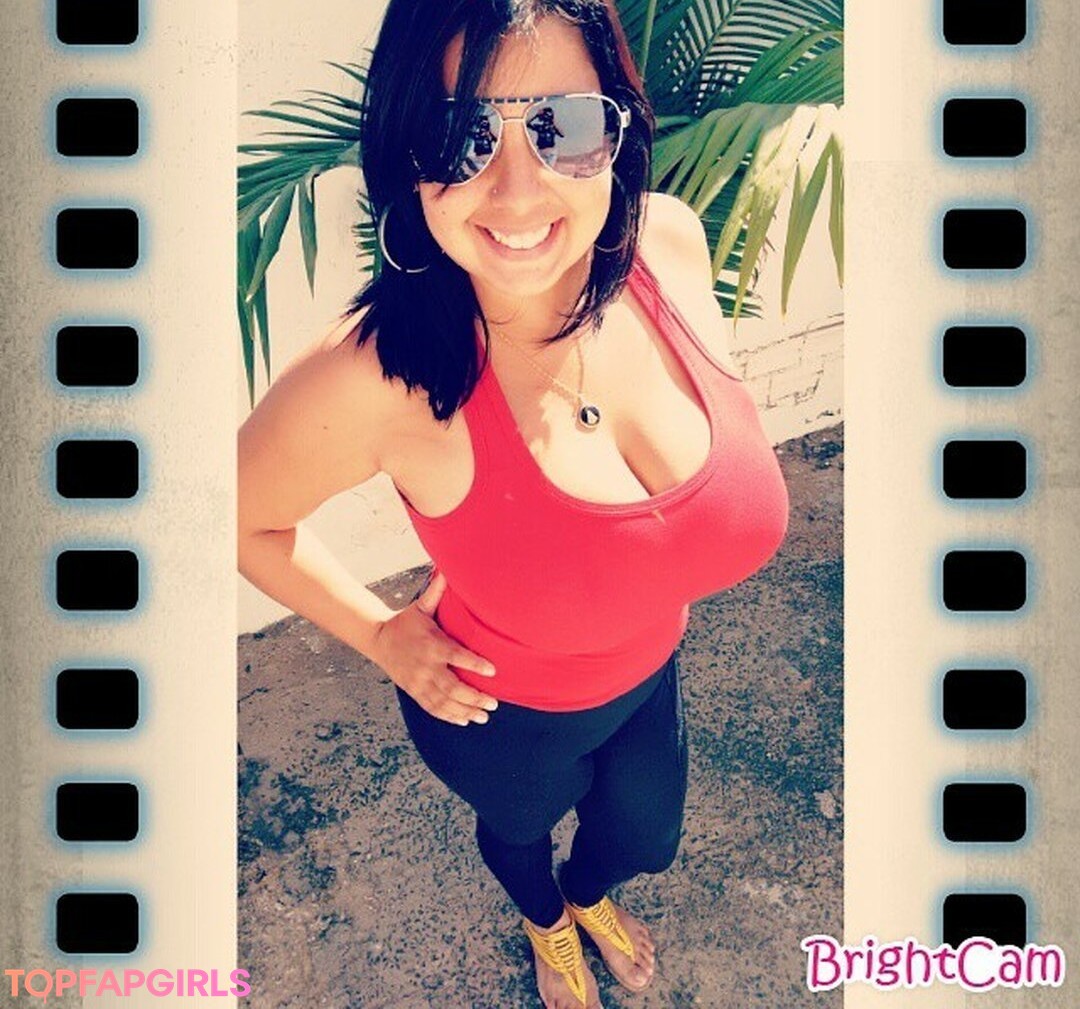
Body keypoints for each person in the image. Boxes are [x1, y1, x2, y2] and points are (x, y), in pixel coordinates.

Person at [238, 1, 789, 1005]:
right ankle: (547, 924)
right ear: (405, 152)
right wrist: (382, 635)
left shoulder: (668, 247)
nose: (518, 189)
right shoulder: (376, 378)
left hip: (649, 674)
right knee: (520, 839)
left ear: (618, 124)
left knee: (644, 839)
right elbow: (237, 516)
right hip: (499, 708)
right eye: (462, 137)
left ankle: (589, 898)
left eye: (563, 125)